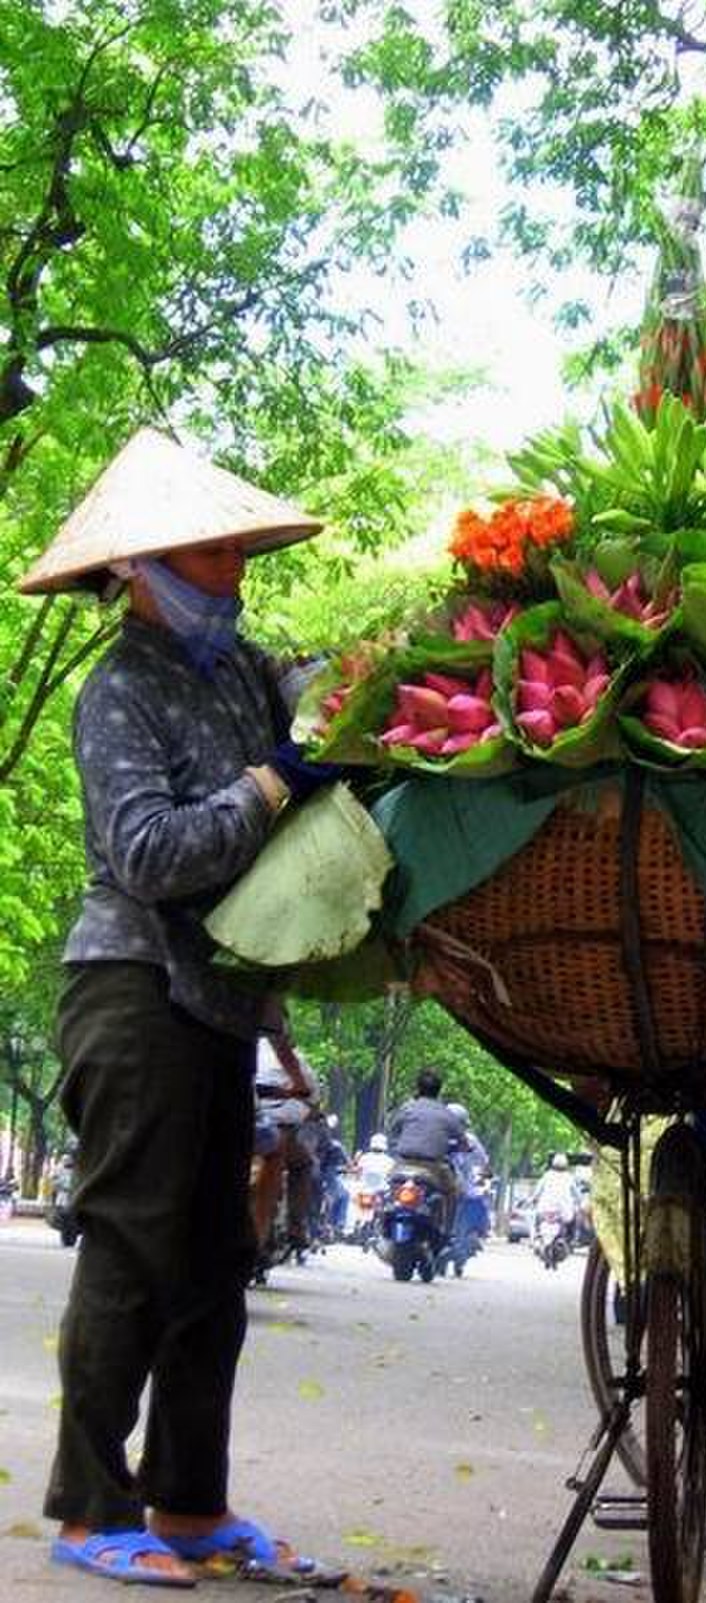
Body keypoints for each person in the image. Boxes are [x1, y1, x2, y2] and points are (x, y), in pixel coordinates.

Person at [18, 427, 342, 1588]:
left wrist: (360, 692)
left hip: (218, 1003)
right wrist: (267, 783)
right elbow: (149, 852)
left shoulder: (241, 670)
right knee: (134, 1248)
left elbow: (321, 695)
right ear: (145, 571)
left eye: (238, 553)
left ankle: (190, 1502)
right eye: (211, 556)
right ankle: (89, 1504)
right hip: (133, 988)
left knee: (215, 1257)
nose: (234, 573)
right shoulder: (119, 692)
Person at [252, 1027, 320, 1260]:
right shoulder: (294, 1059)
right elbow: (312, 1097)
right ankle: (295, 1227)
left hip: (242, 1123)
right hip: (273, 1131)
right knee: (302, 1164)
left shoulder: (246, 1049)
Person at [386, 1071, 464, 1233]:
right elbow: (462, 1140)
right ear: (439, 1090)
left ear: (418, 1088)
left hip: (402, 1163)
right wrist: (463, 1146)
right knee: (453, 1192)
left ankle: (378, 1222)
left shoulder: (406, 1109)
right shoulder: (446, 1114)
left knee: (387, 1188)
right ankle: (448, 1231)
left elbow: (393, 1130)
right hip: (433, 1167)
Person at [446, 1102, 491, 1250]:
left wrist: (483, 1177)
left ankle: (476, 1231)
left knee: (478, 1198)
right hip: (449, 1182)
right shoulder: (468, 1139)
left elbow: (483, 1162)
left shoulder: (469, 1140)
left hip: (458, 1183)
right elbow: (483, 1161)